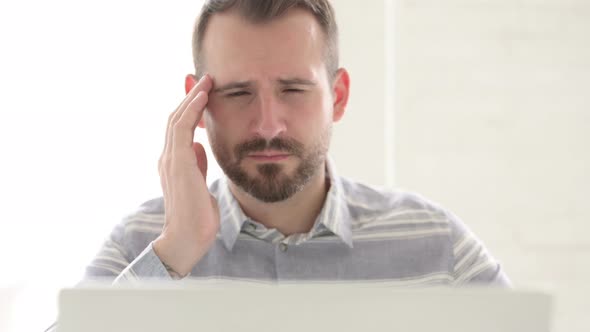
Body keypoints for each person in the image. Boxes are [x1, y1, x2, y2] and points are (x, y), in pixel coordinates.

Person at [85, 0, 510, 286]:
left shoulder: (436, 247)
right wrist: (174, 253)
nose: (268, 125)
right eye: (238, 93)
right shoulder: (141, 244)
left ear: (337, 97)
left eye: (293, 90)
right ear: (197, 103)